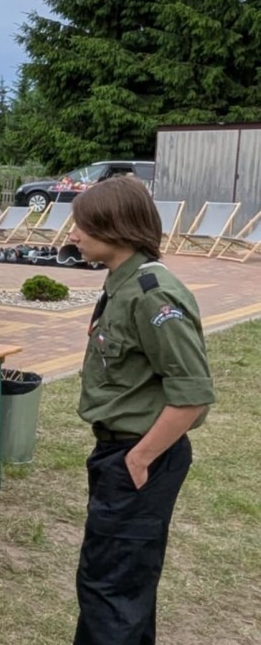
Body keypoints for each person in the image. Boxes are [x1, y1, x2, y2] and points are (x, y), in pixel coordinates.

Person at [66, 178, 215, 645]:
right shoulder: (123, 282)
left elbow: (192, 394)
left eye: (84, 225)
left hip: (139, 455)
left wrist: (140, 458)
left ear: (119, 228)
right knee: (116, 582)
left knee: (111, 587)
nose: (73, 234)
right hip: (120, 451)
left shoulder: (153, 293)